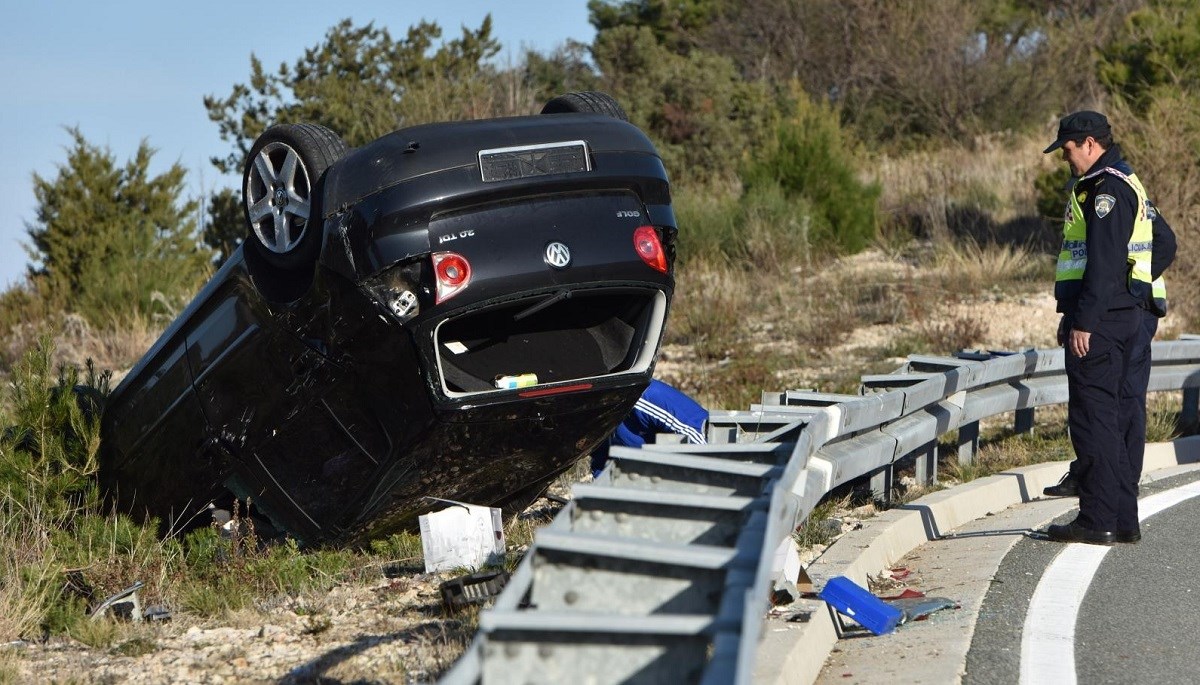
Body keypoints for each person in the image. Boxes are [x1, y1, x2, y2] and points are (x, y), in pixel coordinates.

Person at [1038, 110, 1154, 545]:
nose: (1066, 158)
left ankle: (1098, 519)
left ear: (1089, 143)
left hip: (1101, 323)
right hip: (1121, 316)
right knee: (1110, 418)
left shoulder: (1105, 190)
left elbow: (1103, 264)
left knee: (1094, 421)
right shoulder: (1124, 182)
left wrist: (1083, 321)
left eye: (1068, 149)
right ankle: (1122, 520)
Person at [1042, 201, 1175, 498]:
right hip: (1100, 308)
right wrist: (1073, 315)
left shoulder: (1118, 192)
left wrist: (1127, 289)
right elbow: (1093, 263)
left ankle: (1123, 483)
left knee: (1125, 396)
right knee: (1093, 398)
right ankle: (1091, 474)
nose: (1065, 158)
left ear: (1090, 149)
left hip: (1132, 309)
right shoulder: (1089, 192)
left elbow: (1165, 244)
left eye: (1068, 150)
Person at [589, 379, 708, 477]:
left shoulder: (644, 397)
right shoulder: (594, 414)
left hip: (702, 464)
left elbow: (698, 438)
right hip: (650, 478)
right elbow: (602, 465)